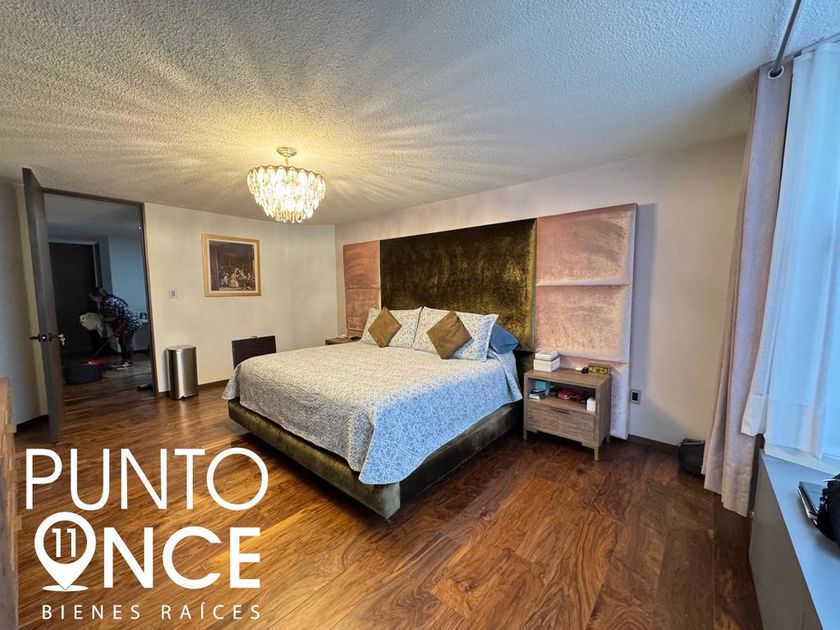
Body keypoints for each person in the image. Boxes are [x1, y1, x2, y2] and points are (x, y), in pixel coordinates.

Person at [88, 288, 141, 369]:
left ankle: (129, 361)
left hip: (128, 323)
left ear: (98, 296)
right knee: (122, 341)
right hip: (124, 323)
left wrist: (103, 320)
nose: (93, 300)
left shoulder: (109, 302)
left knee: (126, 342)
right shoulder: (105, 302)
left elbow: (113, 317)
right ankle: (124, 360)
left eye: (93, 298)